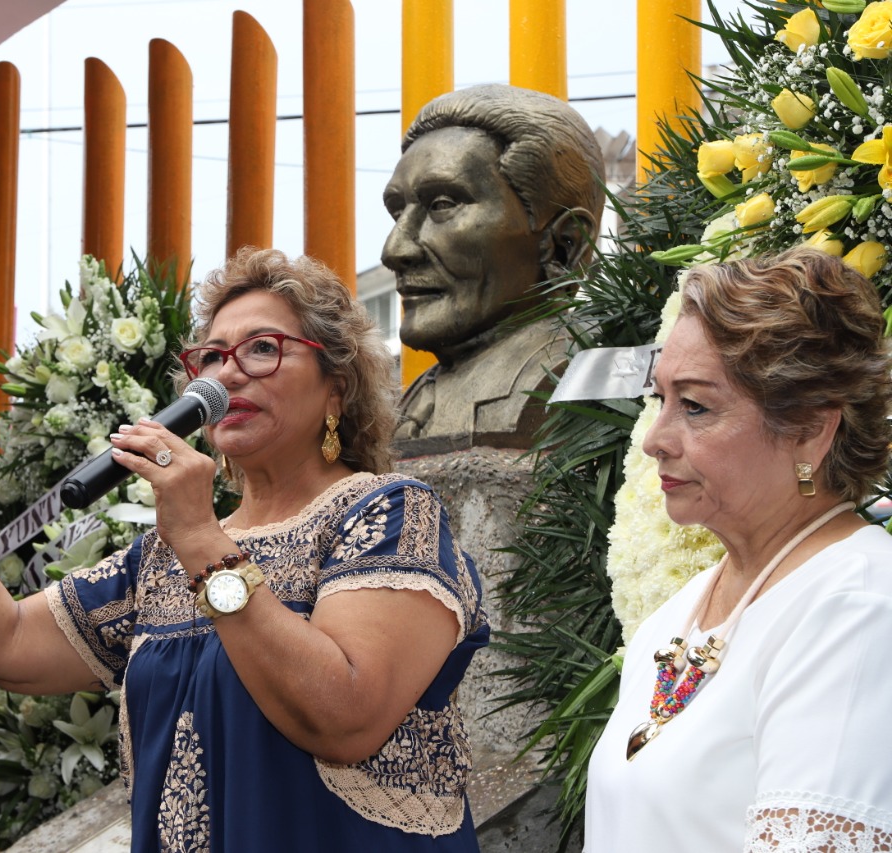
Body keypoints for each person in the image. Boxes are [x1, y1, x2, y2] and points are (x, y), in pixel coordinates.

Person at [0, 248, 491, 851]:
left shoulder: (387, 512)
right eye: (212, 356)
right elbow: (5, 644)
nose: (228, 372)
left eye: (263, 348)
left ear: (337, 388)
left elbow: (345, 715)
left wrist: (198, 537)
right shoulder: (163, 555)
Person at [585, 248, 892, 850]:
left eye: (695, 406)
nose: (654, 440)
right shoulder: (677, 616)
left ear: (809, 427)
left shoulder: (857, 607)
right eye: (660, 399)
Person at [382, 83, 605, 449]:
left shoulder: (585, 380)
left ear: (565, 244)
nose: (395, 250)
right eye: (396, 212)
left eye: (441, 204)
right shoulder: (409, 401)